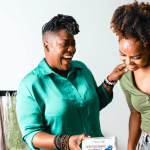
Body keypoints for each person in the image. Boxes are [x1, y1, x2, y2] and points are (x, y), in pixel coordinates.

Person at [16, 14, 127, 150]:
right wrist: (65, 141)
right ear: (46, 46)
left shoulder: (82, 69)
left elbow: (91, 106)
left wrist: (110, 81)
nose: (72, 49)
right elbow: (31, 135)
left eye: (73, 44)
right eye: (65, 44)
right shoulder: (30, 85)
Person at [110, 1, 150, 150]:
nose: (128, 62)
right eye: (123, 54)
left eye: (136, 57)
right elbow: (135, 113)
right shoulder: (126, 78)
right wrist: (130, 147)